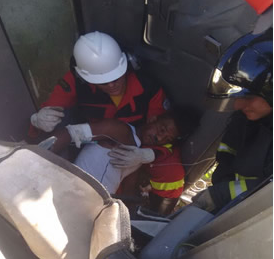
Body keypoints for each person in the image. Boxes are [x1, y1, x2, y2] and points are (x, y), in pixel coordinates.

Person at [28, 32, 169, 169]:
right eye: (103, 82)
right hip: (88, 141)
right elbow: (51, 109)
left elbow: (166, 132)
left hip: (133, 149)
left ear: (127, 64)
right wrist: (37, 121)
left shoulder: (149, 89)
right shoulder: (75, 83)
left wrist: (150, 154)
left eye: (116, 78)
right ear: (84, 77)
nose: (112, 86)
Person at [193, 28, 272, 213]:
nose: (237, 105)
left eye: (248, 97)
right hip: (229, 210)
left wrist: (220, 195)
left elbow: (269, 192)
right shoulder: (245, 119)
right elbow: (226, 157)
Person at [49, 109, 200, 204]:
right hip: (71, 192)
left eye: (167, 139)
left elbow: (128, 191)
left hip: (96, 207)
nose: (159, 138)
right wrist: (35, 154)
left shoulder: (138, 156)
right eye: (161, 130)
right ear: (153, 119)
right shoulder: (119, 130)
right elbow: (70, 133)